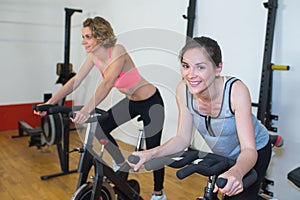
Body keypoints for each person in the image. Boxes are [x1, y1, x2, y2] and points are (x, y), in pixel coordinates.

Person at [34, 16, 166, 200]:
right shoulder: (93, 56)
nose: (83, 41)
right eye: (83, 36)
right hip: (132, 102)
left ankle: (158, 193)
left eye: (87, 37)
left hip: (151, 102)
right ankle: (121, 163)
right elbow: (76, 81)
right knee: (101, 127)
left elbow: (108, 83)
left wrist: (86, 110)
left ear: (101, 36)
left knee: (153, 152)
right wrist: (50, 103)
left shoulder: (118, 51)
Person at [130, 36, 272, 199]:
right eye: (186, 66)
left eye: (200, 67)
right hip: (225, 156)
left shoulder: (235, 91)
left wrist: (237, 172)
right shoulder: (183, 91)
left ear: (218, 68)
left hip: (255, 152)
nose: (191, 75)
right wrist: (150, 154)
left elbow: (248, 149)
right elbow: (182, 139)